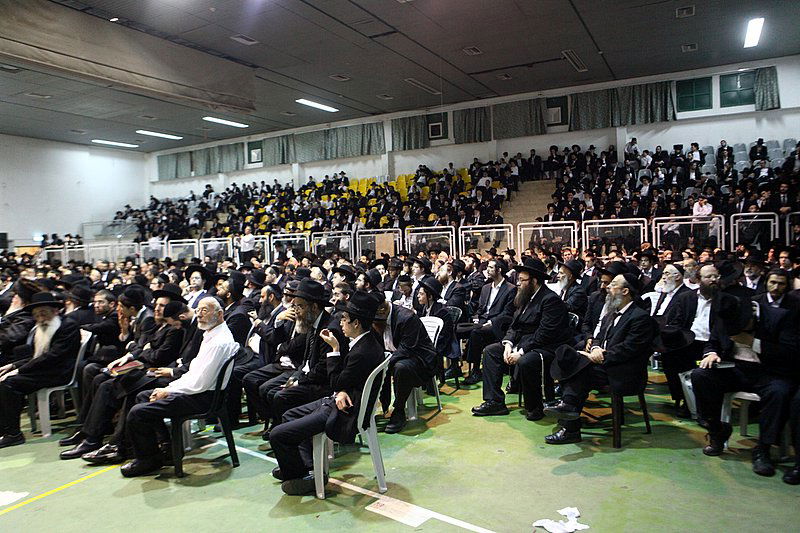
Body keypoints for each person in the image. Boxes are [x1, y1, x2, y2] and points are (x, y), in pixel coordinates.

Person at [269, 291, 385, 495]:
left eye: (345, 319)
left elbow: (335, 382)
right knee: (289, 415)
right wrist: (340, 389)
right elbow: (342, 382)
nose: (341, 322)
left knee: (278, 434)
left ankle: (300, 477)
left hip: (343, 412)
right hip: (339, 400)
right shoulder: (366, 342)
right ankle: (305, 469)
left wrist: (334, 349)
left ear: (356, 323)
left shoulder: (362, 352)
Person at [121, 297, 240, 477]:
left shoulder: (219, 341)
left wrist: (168, 390)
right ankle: (164, 450)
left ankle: (147, 460)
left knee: (138, 412)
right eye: (198, 310)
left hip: (203, 398)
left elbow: (200, 383)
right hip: (198, 391)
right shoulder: (211, 333)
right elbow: (194, 372)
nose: (199, 314)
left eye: (205, 311)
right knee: (143, 397)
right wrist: (170, 388)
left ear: (220, 314)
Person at [544, 273, 657, 443]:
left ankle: (569, 415)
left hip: (625, 372)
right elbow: (598, 337)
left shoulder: (640, 317)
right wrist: (595, 348)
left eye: (612, 285)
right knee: (570, 358)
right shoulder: (611, 313)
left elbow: (629, 349)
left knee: (579, 369)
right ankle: (569, 412)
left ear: (625, 291)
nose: (607, 288)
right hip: (604, 366)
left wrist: (599, 356)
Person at [472, 257, 572, 419]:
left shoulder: (550, 300)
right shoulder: (525, 297)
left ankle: (534, 407)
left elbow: (544, 334)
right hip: (524, 343)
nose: (518, 283)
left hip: (547, 347)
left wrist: (521, 351)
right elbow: (514, 325)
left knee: (526, 361)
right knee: (490, 351)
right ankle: (495, 402)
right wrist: (508, 344)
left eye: (522, 280)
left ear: (534, 280)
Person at [0, 292, 81, 448]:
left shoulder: (67, 326)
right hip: (43, 370)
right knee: (3, 377)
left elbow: (52, 357)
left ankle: (14, 434)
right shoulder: (41, 328)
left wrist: (20, 370)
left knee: (8, 384)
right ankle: (4, 429)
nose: (40, 317)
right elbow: (36, 356)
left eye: (43, 313)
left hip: (59, 372)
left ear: (55, 311)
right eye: (36, 315)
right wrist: (13, 365)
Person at [665, 264, 743, 417]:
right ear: (698, 279)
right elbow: (676, 322)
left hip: (714, 345)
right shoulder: (685, 298)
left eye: (716, 276)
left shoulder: (728, 300)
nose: (713, 280)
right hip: (689, 342)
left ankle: (702, 408)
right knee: (669, 357)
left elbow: (728, 330)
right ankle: (685, 399)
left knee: (702, 368)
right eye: (709, 277)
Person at [375, 296, 437, 434]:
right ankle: (374, 409)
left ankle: (399, 410)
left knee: (400, 367)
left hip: (419, 358)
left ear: (383, 310)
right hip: (394, 355)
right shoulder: (377, 318)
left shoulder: (407, 318)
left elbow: (407, 349)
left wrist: (384, 363)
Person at [462, 259, 516, 385]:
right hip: (483, 321)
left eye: (491, 267)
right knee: (461, 328)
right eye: (488, 267)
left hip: (498, 324)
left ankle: (475, 370)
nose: (487, 270)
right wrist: (478, 319)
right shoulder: (486, 288)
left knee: (475, 333)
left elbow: (507, 312)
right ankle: (458, 364)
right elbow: (481, 308)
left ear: (499, 270)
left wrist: (491, 322)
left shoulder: (510, 289)